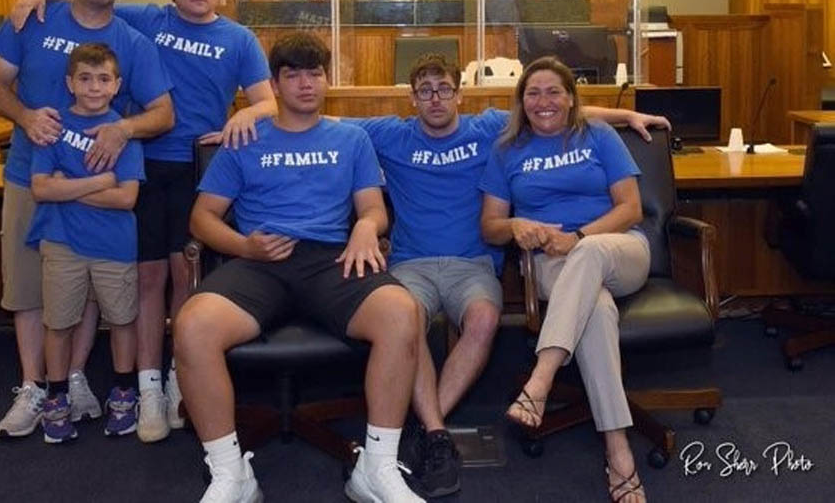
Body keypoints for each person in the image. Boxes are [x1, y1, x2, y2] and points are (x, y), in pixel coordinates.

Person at [343, 53, 668, 498]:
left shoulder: (491, 129)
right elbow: (319, 120)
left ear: (460, 93)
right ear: (412, 98)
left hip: (540, 256)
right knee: (594, 311)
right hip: (419, 262)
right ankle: (442, 434)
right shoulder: (398, 135)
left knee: (499, 308)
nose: (436, 99)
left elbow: (557, 114)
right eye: (425, 91)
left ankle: (538, 379)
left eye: (444, 89)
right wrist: (255, 110)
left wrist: (628, 113)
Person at [10, 0, 278, 443]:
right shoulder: (147, 18)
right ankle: (148, 383)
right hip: (142, 160)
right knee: (147, 274)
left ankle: (183, 373)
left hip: (198, 169)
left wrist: (244, 115)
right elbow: (82, 0)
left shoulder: (238, 38)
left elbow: (267, 101)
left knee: (187, 271)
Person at [176, 32, 424, 503]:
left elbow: (373, 209)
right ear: (274, 83)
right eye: (293, 75)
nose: (306, 84)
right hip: (260, 259)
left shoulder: (350, 138)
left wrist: (367, 228)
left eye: (315, 73)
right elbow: (201, 218)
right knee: (192, 325)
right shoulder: (244, 139)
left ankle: (376, 468)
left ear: (326, 79)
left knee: (401, 312)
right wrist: (245, 247)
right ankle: (231, 475)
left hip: (330, 259)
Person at [0, 0, 174, 438]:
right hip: (30, 173)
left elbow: (162, 112)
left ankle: (72, 378)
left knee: (84, 288)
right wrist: (25, 116)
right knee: (29, 288)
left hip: (93, 187)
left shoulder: (132, 42)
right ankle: (33, 388)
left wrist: (123, 130)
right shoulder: (35, 18)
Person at [479, 56, 651, 503]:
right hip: (549, 262)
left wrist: (579, 237)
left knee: (590, 252)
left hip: (618, 248)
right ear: (521, 103)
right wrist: (516, 227)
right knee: (595, 313)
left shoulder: (599, 135)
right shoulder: (507, 150)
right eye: (533, 93)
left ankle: (541, 378)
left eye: (553, 91)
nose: (543, 101)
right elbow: (490, 227)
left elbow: (631, 208)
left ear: (572, 97)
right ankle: (618, 450)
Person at [27, 43, 144, 442]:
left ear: (117, 85)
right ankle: (56, 398)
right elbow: (41, 189)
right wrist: (100, 181)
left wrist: (68, 187)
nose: (94, 87)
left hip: (115, 245)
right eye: (85, 78)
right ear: (70, 83)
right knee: (58, 322)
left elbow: (126, 197)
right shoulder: (52, 129)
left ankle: (124, 394)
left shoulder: (123, 134)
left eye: (103, 79)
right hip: (62, 243)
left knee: (123, 320)